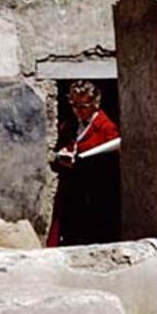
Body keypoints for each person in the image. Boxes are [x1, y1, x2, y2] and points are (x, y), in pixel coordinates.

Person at [46, 80, 121, 246]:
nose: (77, 111)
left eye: (83, 106)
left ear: (95, 104)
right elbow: (56, 153)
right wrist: (61, 158)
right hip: (71, 193)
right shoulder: (68, 126)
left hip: (94, 195)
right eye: (73, 105)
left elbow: (114, 164)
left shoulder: (106, 128)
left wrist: (82, 165)